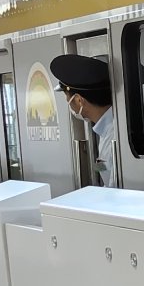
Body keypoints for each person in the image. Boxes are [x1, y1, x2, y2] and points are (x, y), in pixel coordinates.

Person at [51, 53, 119, 186]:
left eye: (67, 97)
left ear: (78, 100)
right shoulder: (105, 130)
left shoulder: (114, 135)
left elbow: (115, 191)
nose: (67, 102)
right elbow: (105, 169)